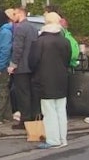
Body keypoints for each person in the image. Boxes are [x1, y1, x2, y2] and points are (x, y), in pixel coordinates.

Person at [28, 12, 72, 148]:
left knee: (49, 112)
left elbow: (32, 62)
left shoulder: (40, 42)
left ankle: (53, 140)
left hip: (45, 80)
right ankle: (62, 138)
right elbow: (67, 60)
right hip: (62, 79)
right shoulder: (65, 41)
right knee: (61, 110)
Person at [7, 7, 39, 128]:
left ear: (20, 14)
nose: (13, 16)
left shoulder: (20, 28)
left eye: (14, 14)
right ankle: (34, 117)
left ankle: (25, 120)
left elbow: (17, 48)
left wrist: (13, 64)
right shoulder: (33, 28)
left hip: (21, 66)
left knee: (23, 94)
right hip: (32, 65)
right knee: (32, 93)